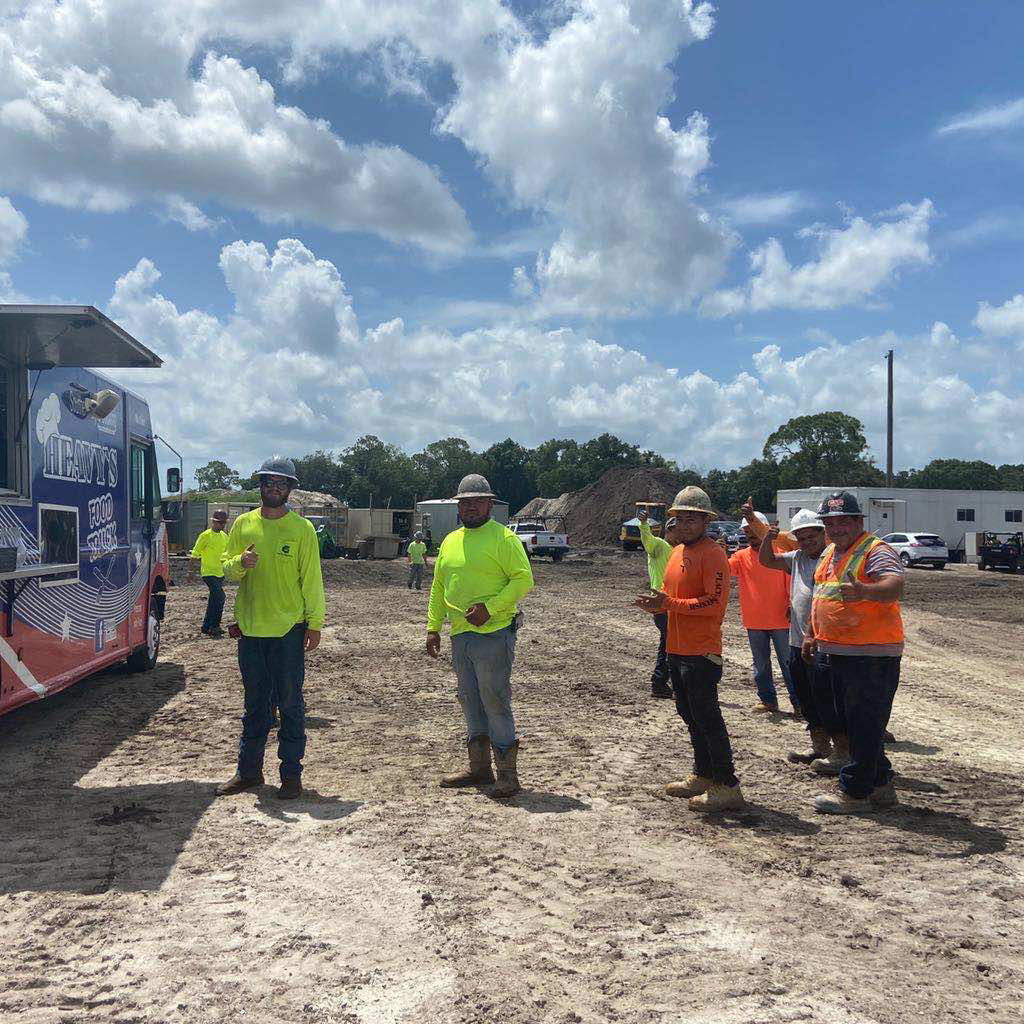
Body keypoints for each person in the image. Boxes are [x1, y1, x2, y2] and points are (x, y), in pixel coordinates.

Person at [216, 456, 326, 800]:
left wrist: (315, 623)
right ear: (260, 486)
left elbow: (312, 580)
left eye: (281, 483)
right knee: (255, 706)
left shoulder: (302, 530)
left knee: (291, 704)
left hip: (288, 632)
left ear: (290, 489)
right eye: (268, 482)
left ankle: (291, 776)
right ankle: (248, 773)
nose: (274, 488)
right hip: (250, 632)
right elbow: (227, 572)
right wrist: (240, 563)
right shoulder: (243, 525)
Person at [635, 486, 743, 812]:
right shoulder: (677, 553)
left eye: (692, 519)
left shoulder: (713, 555)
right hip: (677, 648)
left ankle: (727, 785)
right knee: (689, 713)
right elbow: (671, 600)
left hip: (701, 651)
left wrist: (670, 604)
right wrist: (659, 607)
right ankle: (703, 774)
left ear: (705, 521)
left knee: (708, 717)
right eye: (680, 519)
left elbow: (713, 603)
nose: (685, 524)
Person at [427, 474, 534, 798]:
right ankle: (479, 769)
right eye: (465, 502)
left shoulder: (503, 539)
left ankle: (507, 775)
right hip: (461, 635)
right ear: (459, 506)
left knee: (495, 701)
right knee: (470, 700)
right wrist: (433, 626)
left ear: (490, 504)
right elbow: (439, 587)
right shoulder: (450, 541)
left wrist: (491, 607)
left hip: (494, 633)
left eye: (477, 501)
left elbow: (523, 580)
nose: (470, 506)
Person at [804, 491, 905, 814]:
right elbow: (821, 596)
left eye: (843, 521)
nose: (836, 528)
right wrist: (811, 634)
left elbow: (894, 585)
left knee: (863, 723)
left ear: (858, 521)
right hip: (837, 652)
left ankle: (855, 792)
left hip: (871, 655)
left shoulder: (876, 551)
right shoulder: (830, 553)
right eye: (830, 523)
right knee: (856, 724)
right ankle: (881, 784)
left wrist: (866, 591)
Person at [752, 507, 848, 769]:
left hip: (824, 642)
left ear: (823, 534)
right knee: (806, 697)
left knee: (827, 697)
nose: (807, 542)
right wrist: (768, 539)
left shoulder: (832, 558)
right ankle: (819, 746)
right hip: (797, 640)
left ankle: (841, 749)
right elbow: (768, 561)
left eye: (811, 537)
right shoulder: (796, 558)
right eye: (802, 538)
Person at [728, 513, 799, 715]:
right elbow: (725, 570)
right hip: (755, 621)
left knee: (788, 664)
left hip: (781, 620)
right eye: (746, 531)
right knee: (760, 665)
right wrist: (719, 552)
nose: (750, 535)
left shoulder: (779, 554)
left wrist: (791, 605)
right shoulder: (741, 557)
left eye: (753, 530)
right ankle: (768, 700)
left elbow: (791, 583)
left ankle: (799, 702)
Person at [637, 506, 674, 699]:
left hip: (671, 604)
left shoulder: (679, 550)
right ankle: (660, 682)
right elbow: (648, 541)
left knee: (669, 644)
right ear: (669, 531)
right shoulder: (659, 545)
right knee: (670, 645)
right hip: (662, 604)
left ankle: (662, 683)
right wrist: (643, 525)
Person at [191, 510, 229, 637]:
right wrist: (190, 572)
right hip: (208, 573)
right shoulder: (205, 535)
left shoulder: (225, 536)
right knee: (220, 597)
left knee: (214, 599)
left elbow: (228, 554)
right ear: (213, 521)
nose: (221, 525)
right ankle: (215, 626)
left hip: (220, 573)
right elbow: (195, 553)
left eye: (223, 523)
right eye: (218, 522)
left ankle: (206, 626)